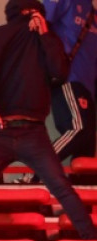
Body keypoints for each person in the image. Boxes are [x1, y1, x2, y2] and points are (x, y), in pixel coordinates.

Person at [0, 0, 96, 241]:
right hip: (26, 132)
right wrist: (45, 35)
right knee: (62, 188)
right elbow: (61, 72)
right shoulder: (28, 40)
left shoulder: (4, 37)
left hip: (11, 132)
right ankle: (91, 238)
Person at [14, 0, 97, 183]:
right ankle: (31, 175)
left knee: (86, 150)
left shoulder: (93, 13)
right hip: (68, 80)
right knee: (78, 128)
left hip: (88, 88)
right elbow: (36, 27)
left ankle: (78, 204)